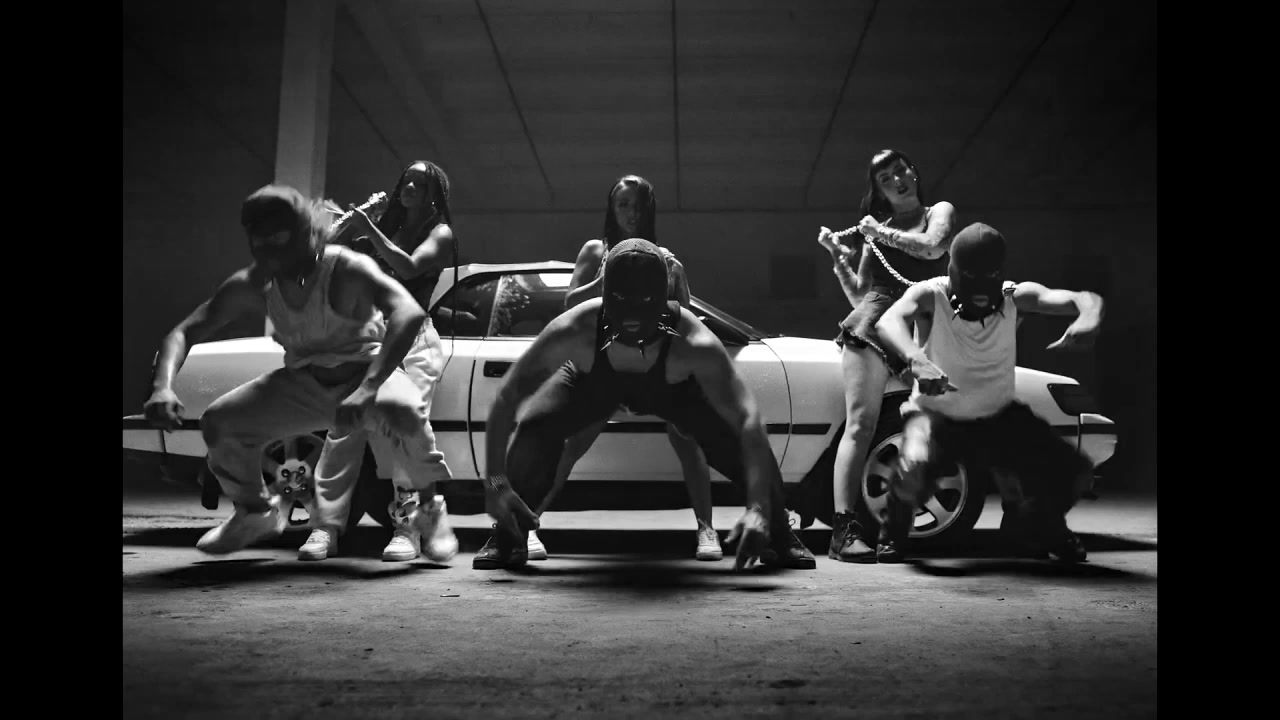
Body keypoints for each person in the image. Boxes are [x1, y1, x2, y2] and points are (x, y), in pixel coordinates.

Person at [141, 185, 457, 563]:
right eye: (261, 243)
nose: (273, 255)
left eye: (281, 241)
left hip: (366, 375)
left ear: (309, 233)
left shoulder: (347, 268)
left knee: (406, 413)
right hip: (306, 383)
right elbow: (183, 332)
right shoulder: (255, 281)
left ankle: (429, 511)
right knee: (220, 422)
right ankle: (254, 511)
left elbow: (409, 313)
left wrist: (368, 388)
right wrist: (162, 387)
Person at [473, 239, 817, 571]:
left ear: (663, 298)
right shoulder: (576, 329)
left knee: (728, 435)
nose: (632, 319)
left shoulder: (693, 342)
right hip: (592, 382)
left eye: (643, 303)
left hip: (673, 389)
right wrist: (496, 485)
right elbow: (506, 399)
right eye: (621, 301)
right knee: (536, 426)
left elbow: (747, 419)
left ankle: (776, 529)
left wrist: (759, 505)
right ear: (605, 293)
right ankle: (508, 533)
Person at [874, 222, 1103, 563]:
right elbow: (888, 321)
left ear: (999, 274)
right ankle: (893, 531)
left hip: (997, 418)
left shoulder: (1014, 297)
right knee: (914, 467)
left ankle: (1044, 526)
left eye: (989, 277)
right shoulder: (931, 295)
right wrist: (917, 359)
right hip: (936, 416)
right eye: (970, 277)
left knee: (1075, 471)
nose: (980, 291)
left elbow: (1082, 298)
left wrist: (1089, 316)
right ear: (954, 273)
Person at [547, 174, 720, 563]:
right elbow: (569, 306)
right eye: (623, 204)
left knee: (687, 436)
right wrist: (604, 278)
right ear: (611, 209)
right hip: (606, 365)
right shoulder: (596, 250)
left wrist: (676, 277)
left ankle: (706, 529)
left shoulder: (663, 257)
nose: (631, 213)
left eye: (639, 206)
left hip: (654, 366)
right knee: (573, 442)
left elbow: (686, 319)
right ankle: (526, 523)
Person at [816, 149, 956, 563]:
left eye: (900, 170)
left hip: (926, 322)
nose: (897, 180)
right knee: (861, 425)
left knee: (932, 424)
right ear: (878, 191)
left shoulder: (937, 212)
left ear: (914, 172)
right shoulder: (878, 231)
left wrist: (879, 233)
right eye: (885, 179)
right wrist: (837, 257)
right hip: (875, 323)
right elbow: (861, 295)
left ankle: (898, 525)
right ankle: (843, 531)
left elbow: (934, 248)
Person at [331, 160, 466, 562]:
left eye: (419, 184)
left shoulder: (440, 233)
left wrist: (369, 229)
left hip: (415, 339)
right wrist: (352, 224)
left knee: (409, 426)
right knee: (351, 427)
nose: (408, 187)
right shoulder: (387, 227)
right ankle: (328, 524)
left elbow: (409, 266)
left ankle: (408, 529)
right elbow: (333, 258)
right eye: (405, 180)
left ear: (434, 195)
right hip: (374, 336)